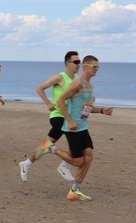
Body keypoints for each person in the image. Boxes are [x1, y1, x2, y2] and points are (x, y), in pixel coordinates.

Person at [33, 55, 113, 200]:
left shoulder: (89, 86)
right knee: (78, 162)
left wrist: (102, 111)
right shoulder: (77, 83)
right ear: (86, 66)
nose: (97, 70)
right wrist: (69, 121)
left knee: (89, 157)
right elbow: (60, 100)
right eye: (95, 67)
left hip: (83, 126)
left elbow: (87, 108)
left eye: (98, 67)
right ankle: (50, 147)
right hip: (72, 128)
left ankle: (74, 191)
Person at [18, 51, 80, 182]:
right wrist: (48, 103)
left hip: (68, 116)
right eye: (76, 62)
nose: (78, 65)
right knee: (77, 137)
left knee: (46, 144)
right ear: (67, 63)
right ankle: (64, 165)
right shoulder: (59, 77)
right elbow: (40, 88)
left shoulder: (77, 80)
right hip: (58, 116)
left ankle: (27, 163)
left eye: (79, 62)